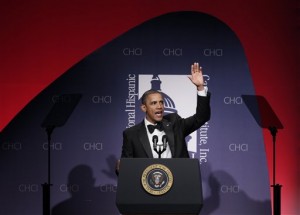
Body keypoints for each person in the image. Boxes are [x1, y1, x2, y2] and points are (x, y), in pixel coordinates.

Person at [118, 62, 211, 162]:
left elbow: (201, 117)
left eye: (161, 102)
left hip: (179, 177)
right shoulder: (131, 134)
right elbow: (126, 167)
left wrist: (200, 87)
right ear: (144, 108)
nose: (159, 106)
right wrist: (120, 168)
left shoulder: (175, 123)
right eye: (154, 103)